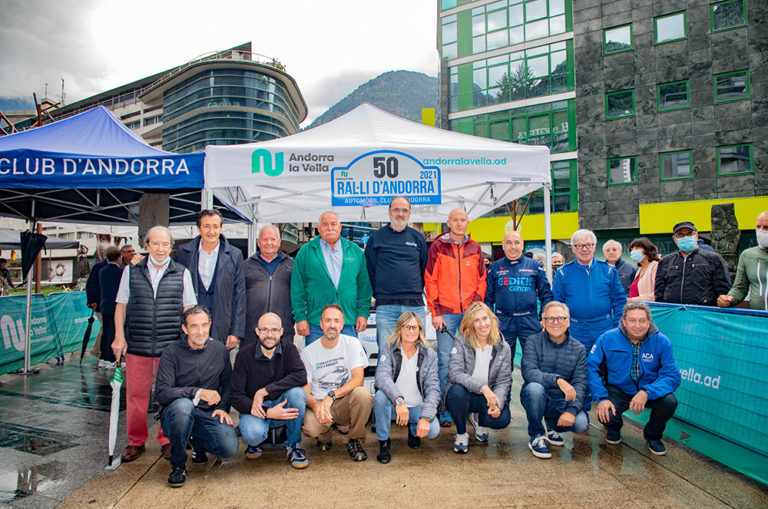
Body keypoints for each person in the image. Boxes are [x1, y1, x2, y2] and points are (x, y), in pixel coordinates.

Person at [112, 226, 197, 463]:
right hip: (137, 344)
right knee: (136, 396)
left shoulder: (181, 272)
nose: (160, 248)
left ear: (171, 247)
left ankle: (167, 439)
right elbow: (121, 306)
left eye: (165, 244)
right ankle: (136, 441)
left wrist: (189, 339)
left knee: (167, 396)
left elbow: (189, 308)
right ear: (147, 245)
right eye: (156, 243)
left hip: (170, 346)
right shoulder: (131, 271)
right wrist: (119, 336)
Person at [155, 307, 238, 488]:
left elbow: (227, 384)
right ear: (184, 329)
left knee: (229, 448)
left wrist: (222, 408)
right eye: (194, 326)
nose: (200, 331)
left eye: (204, 325)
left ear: (210, 325)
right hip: (176, 415)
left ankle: (197, 443)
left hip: (207, 413)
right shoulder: (171, 352)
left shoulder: (219, 350)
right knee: (183, 407)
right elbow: (162, 393)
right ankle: (178, 465)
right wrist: (197, 392)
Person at [588, 302, 681, 455]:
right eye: (632, 320)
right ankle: (613, 428)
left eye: (642, 321)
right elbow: (592, 368)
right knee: (606, 413)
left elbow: (672, 376)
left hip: (649, 390)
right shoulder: (607, 338)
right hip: (618, 389)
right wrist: (602, 398)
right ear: (623, 321)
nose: (637, 326)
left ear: (649, 322)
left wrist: (647, 392)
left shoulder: (662, 341)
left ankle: (653, 436)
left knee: (669, 402)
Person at [424, 208, 487, 426]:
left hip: (470, 314)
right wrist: (436, 312)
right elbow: (430, 280)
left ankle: (469, 406)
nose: (459, 223)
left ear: (468, 222)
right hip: (446, 314)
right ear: (448, 223)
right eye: (455, 220)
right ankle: (445, 408)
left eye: (463, 220)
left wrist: (475, 307)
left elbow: (482, 280)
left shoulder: (475, 247)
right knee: (445, 361)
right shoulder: (438, 247)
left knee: (472, 360)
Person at [231, 312, 308, 468]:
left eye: (274, 330)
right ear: (257, 331)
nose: (269, 335)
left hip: (281, 404)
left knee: (297, 394)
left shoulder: (289, 349)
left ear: (281, 332)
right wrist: (267, 412)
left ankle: (293, 445)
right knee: (253, 434)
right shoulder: (244, 355)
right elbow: (236, 396)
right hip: (255, 409)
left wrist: (264, 391)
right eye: (264, 330)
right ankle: (256, 443)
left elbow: (301, 376)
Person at [301, 304, 373, 461]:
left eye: (336, 321)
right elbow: (305, 392)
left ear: (342, 324)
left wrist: (332, 395)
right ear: (321, 324)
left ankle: (354, 440)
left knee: (363, 394)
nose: (332, 325)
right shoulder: (308, 352)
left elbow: (358, 379)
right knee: (312, 428)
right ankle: (324, 435)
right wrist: (317, 407)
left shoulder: (352, 343)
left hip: (343, 401)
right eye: (327, 320)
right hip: (320, 402)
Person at [292, 211, 372, 345]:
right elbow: (297, 288)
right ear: (318, 228)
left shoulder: (355, 251)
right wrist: (300, 317)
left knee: (348, 358)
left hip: (347, 322)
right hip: (316, 324)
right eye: (325, 224)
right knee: (316, 358)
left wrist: (363, 313)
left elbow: (364, 287)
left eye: (333, 224)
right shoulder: (306, 251)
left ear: (340, 227)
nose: (330, 228)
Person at [520, 301, 588, 459]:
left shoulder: (578, 348)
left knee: (580, 423)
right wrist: (558, 380)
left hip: (561, 401)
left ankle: (552, 426)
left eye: (560, 318)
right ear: (543, 322)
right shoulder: (533, 341)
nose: (555, 323)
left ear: (568, 322)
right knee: (534, 389)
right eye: (550, 318)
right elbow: (530, 372)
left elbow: (580, 382)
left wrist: (571, 410)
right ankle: (537, 434)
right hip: (537, 397)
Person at [373, 312, 440, 464]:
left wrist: (426, 417)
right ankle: (384, 442)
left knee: (433, 430)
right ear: (399, 329)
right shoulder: (389, 349)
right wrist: (398, 400)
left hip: (416, 406)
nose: (411, 331)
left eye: (414, 327)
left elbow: (433, 389)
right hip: (395, 407)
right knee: (380, 397)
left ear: (420, 330)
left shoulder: (429, 354)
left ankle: (414, 429)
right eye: (406, 327)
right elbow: (381, 377)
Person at [445, 302, 511, 454]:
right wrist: (482, 387)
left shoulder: (503, 347)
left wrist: (498, 404)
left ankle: (479, 421)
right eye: (477, 320)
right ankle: (461, 433)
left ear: (491, 319)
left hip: (487, 397)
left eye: (485, 318)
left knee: (501, 420)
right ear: (471, 324)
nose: (482, 324)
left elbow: (503, 381)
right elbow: (455, 373)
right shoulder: (461, 341)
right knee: (455, 393)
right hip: (467, 394)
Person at [364, 197, 427, 352]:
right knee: (387, 353)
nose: (400, 214)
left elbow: (423, 268)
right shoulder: (376, 238)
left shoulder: (418, 238)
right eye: (396, 210)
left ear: (409, 213)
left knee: (417, 352)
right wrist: (380, 293)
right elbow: (369, 270)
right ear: (389, 211)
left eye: (404, 210)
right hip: (386, 306)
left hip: (414, 305)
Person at [175, 209, 245, 349]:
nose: (211, 231)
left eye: (215, 226)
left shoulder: (235, 255)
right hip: (192, 323)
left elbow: (239, 295)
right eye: (206, 226)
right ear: (199, 228)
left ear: (221, 228)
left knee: (218, 359)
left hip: (222, 323)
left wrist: (235, 332)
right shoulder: (184, 253)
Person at [553, 229, 626, 352]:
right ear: (573, 248)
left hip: (604, 328)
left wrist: (617, 327)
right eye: (579, 246)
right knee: (577, 362)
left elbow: (619, 301)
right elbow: (557, 303)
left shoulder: (609, 270)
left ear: (594, 246)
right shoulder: (563, 273)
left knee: (605, 361)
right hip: (575, 329)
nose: (584, 249)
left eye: (588, 245)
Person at [485, 230, 552, 361]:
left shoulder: (535, 266)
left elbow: (546, 294)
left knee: (533, 360)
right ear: (503, 246)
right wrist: (490, 320)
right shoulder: (495, 267)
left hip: (529, 320)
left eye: (517, 242)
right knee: (501, 362)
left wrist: (544, 317)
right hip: (503, 321)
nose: (513, 246)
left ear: (522, 245)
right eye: (509, 243)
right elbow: (488, 298)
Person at [655, 221, 731, 306]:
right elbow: (659, 292)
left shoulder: (713, 259)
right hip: (673, 311)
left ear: (696, 235)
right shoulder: (665, 261)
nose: (685, 237)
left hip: (703, 311)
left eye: (689, 233)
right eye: (680, 235)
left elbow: (723, 290)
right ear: (674, 239)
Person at [243, 225, 294, 346]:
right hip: (252, 332)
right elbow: (237, 298)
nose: (269, 243)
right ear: (258, 242)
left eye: (273, 239)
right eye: (265, 239)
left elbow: (299, 295)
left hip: (283, 331)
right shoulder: (245, 266)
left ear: (279, 241)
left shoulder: (292, 266)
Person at [718, 211, 768, 310]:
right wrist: (728, 299)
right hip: (758, 317)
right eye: (758, 227)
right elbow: (740, 288)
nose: (761, 231)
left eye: (766, 227)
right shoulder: (748, 255)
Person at [97, 247, 122, 368]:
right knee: (113, 334)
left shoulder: (102, 271)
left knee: (105, 333)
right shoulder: (121, 272)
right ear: (119, 257)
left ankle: (103, 358)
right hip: (116, 307)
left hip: (105, 306)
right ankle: (112, 359)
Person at [85, 251, 109, 357]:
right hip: (101, 303)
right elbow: (91, 283)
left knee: (107, 327)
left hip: (109, 303)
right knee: (106, 326)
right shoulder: (100, 266)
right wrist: (92, 300)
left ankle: (100, 350)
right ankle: (97, 350)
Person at [627, 237, 660, 302]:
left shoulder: (655, 266)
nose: (633, 251)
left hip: (649, 307)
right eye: (632, 249)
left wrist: (632, 300)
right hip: (635, 306)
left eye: (637, 248)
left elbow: (656, 294)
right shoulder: (639, 270)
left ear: (647, 250)